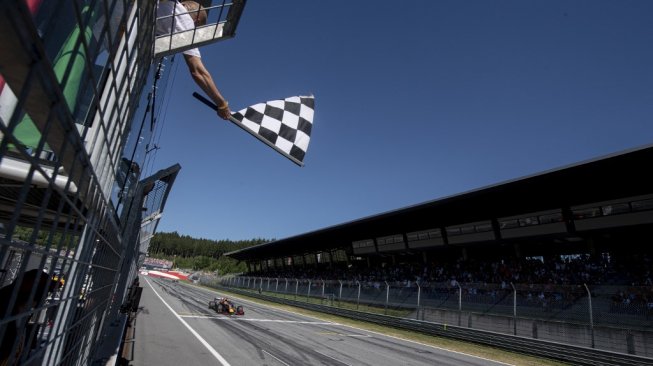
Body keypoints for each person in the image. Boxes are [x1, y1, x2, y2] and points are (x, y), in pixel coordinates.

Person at [156, 1, 231, 120]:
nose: (194, 31)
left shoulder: (169, 8)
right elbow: (198, 72)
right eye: (197, 28)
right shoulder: (186, 22)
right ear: (196, 21)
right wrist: (222, 104)